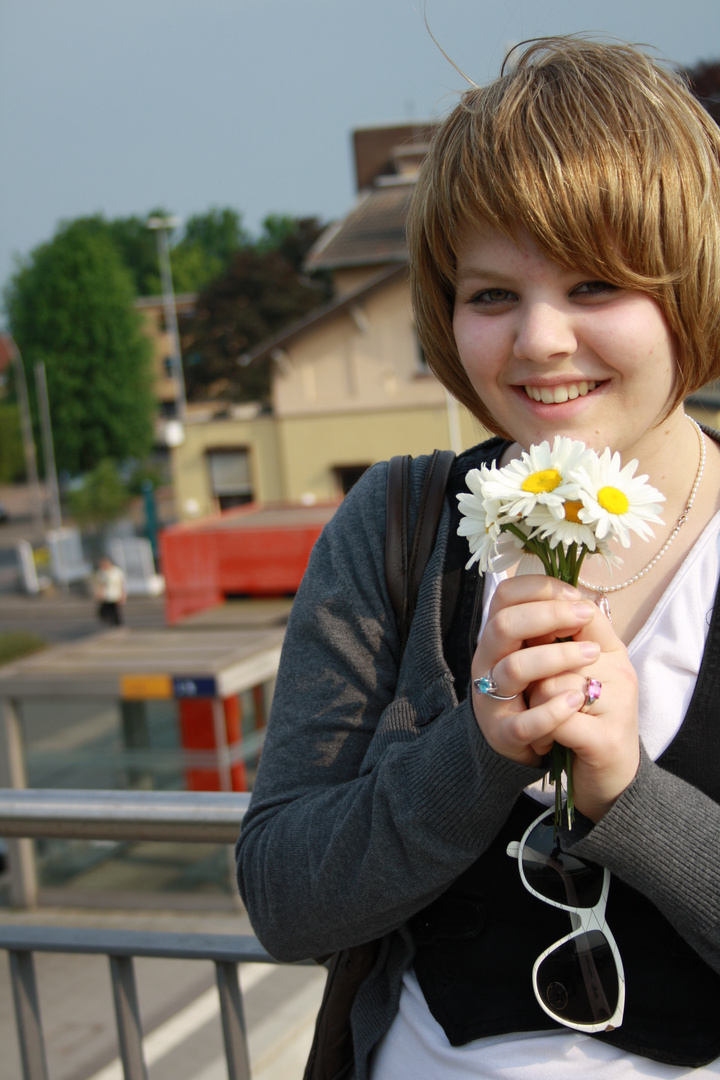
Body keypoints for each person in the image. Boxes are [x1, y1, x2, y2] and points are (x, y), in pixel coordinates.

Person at [236, 37, 720, 1079]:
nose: (539, 341)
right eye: (491, 295)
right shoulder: (401, 521)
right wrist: (481, 746)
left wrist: (629, 797)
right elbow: (286, 900)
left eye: (595, 284)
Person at [93, 555, 126, 626]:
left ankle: (116, 623)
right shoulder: (102, 573)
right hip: (106, 595)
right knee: (104, 611)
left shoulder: (117, 572)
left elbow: (122, 584)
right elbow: (100, 584)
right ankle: (110, 622)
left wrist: (123, 595)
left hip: (115, 594)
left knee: (114, 610)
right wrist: (98, 593)